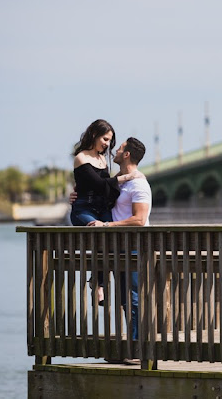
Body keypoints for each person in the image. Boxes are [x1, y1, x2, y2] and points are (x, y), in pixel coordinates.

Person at [72, 137, 151, 343]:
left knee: (133, 298)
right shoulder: (120, 180)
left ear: (126, 155)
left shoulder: (139, 184)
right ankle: (132, 345)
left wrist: (107, 226)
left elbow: (140, 220)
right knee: (125, 299)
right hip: (119, 248)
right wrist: (76, 195)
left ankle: (137, 347)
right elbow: (96, 190)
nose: (114, 150)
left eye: (120, 148)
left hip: (134, 247)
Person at [70, 120, 141, 305]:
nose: (107, 144)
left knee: (112, 237)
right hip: (84, 208)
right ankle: (100, 284)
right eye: (105, 139)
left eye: (110, 141)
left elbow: (106, 188)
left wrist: (124, 180)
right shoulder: (81, 157)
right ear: (94, 134)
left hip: (101, 209)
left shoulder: (103, 159)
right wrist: (127, 176)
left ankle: (100, 279)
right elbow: (100, 184)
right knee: (98, 232)